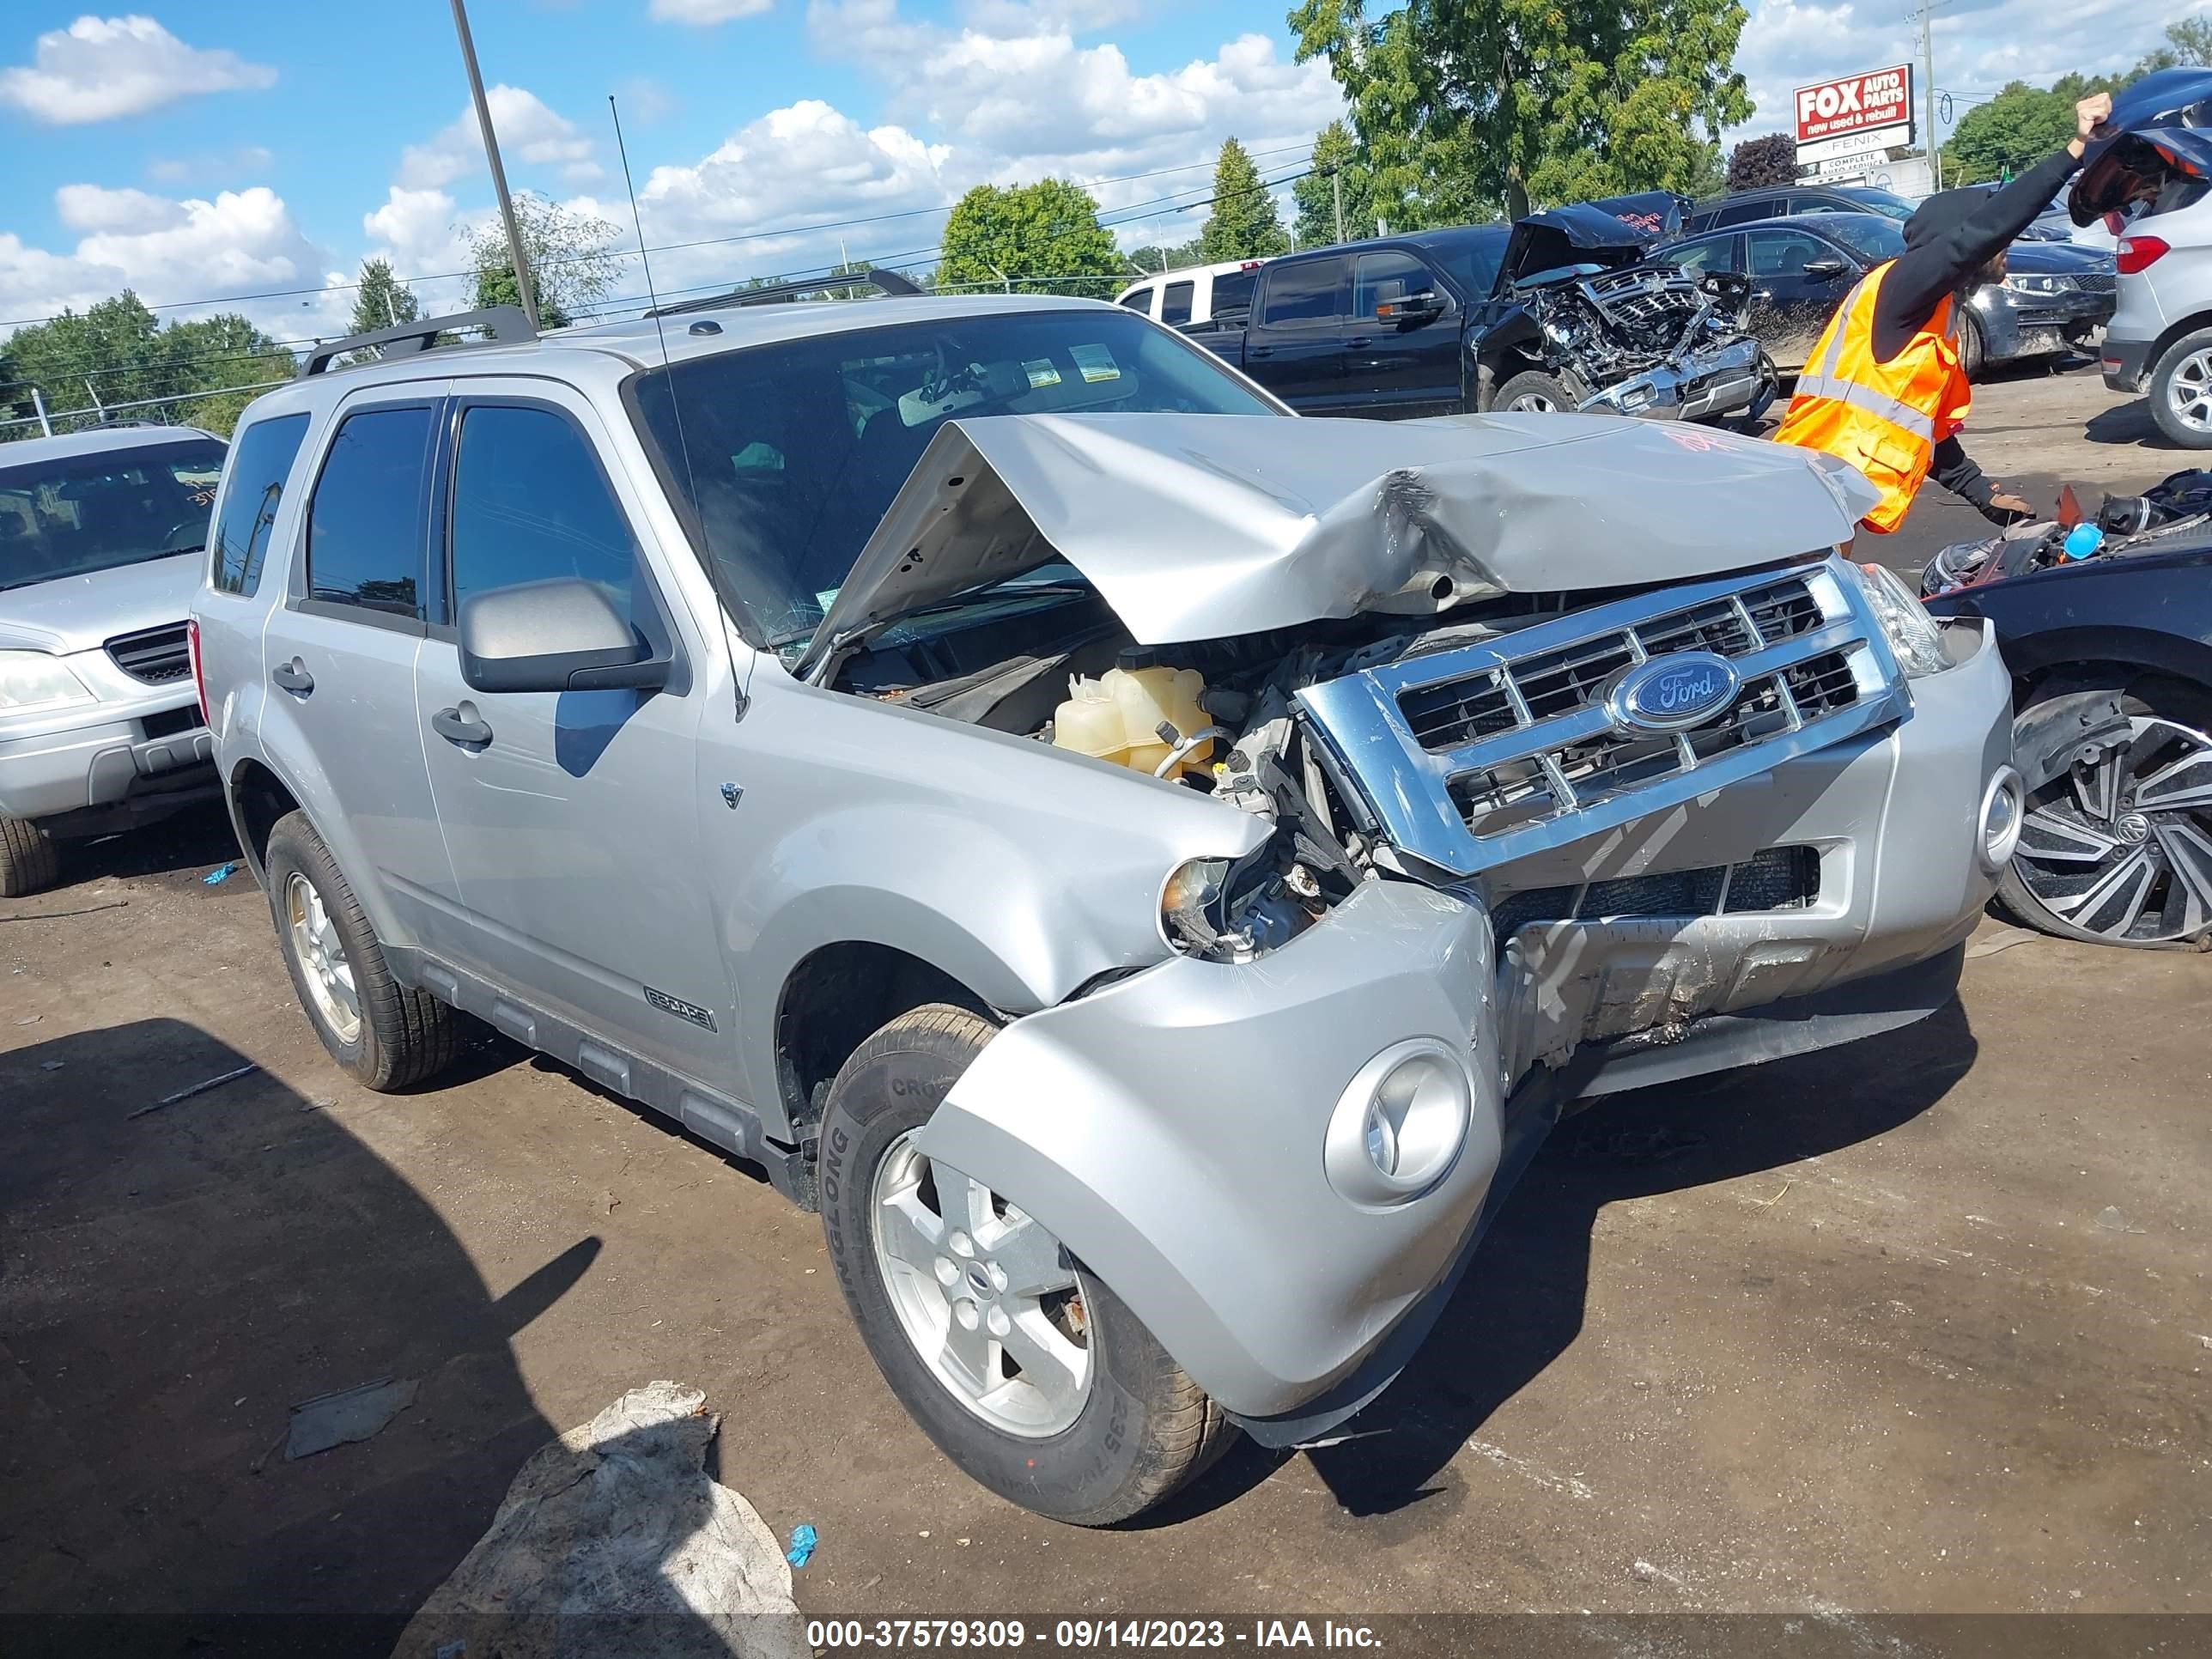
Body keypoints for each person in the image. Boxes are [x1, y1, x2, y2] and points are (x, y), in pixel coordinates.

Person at [1773, 91, 2115, 534]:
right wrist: (2076, 151)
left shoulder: (1935, 312)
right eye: (1996, 238)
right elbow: (1981, 234)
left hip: (1834, 499)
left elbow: (1924, 428)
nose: (2005, 245)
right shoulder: (1902, 287)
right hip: (1811, 494)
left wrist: (1983, 494)